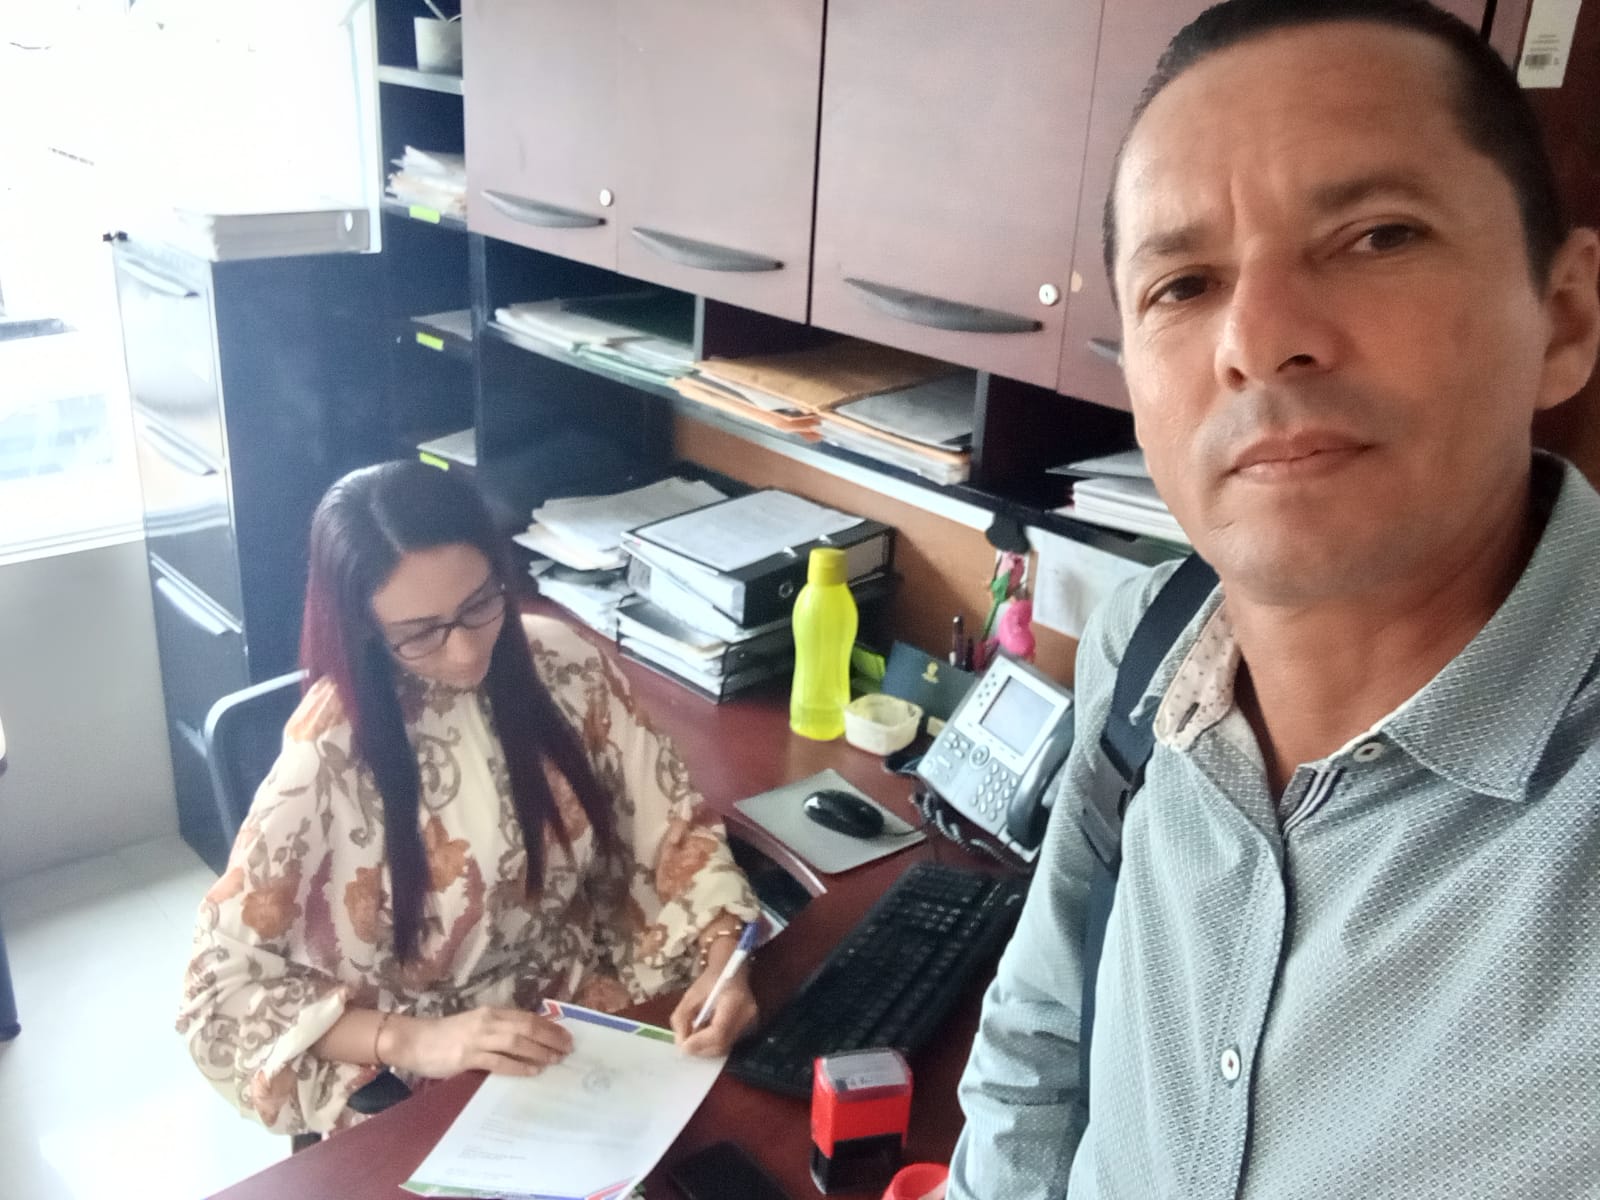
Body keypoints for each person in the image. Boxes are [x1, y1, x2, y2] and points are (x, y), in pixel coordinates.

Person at [948, 1, 1600, 1196]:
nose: (1255, 340)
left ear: (1562, 318)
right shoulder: (1144, 649)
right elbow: (1035, 1045)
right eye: (1183, 284)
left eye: (1376, 236)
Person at [177, 461, 762, 1136]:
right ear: (365, 629)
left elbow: (675, 831)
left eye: (481, 604)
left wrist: (726, 965)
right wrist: (414, 1040)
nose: (463, 651)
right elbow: (216, 997)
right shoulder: (328, 755)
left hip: (591, 1021)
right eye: (421, 632)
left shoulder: (564, 665)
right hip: (435, 1070)